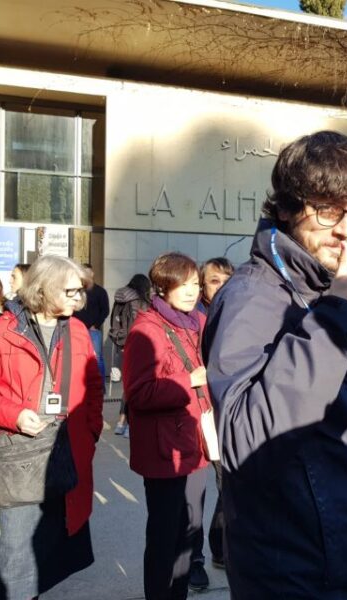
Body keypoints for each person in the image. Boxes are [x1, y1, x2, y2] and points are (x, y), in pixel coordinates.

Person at [203, 130, 347, 598]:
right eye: (329, 209)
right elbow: (243, 433)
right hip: (296, 563)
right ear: (289, 207)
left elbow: (325, 388)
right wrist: (338, 320)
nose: (346, 230)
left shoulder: (312, 287)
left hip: (336, 546)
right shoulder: (253, 294)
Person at [0, 255, 103, 599]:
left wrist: (91, 432)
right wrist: (15, 415)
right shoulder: (0, 331)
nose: (79, 299)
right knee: (15, 562)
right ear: (43, 290)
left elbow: (94, 385)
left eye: (80, 292)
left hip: (65, 454)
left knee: (46, 555)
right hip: (15, 461)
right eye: (71, 291)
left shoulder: (78, 330)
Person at [123, 252, 212, 600]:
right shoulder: (146, 330)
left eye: (195, 284)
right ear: (163, 286)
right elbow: (139, 394)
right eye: (184, 284)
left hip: (196, 443)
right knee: (164, 535)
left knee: (189, 531)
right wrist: (188, 380)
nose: (192, 291)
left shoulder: (197, 323)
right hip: (164, 452)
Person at [189, 257, 235, 588]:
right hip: (198, 413)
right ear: (203, 287)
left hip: (227, 415)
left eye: (227, 279)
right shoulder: (194, 320)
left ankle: (220, 547)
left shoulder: (238, 315)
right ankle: (195, 560)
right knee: (194, 495)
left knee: (228, 485)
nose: (222, 286)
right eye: (214, 280)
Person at [108, 273, 152, 436]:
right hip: (138, 347)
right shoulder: (139, 301)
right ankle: (130, 425)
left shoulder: (120, 298)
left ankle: (121, 422)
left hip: (122, 345)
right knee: (137, 386)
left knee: (127, 386)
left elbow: (114, 320)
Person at [73, 263, 110, 381]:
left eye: (88, 272)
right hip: (76, 330)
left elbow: (105, 310)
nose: (87, 275)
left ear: (92, 274)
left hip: (93, 330)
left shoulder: (100, 291)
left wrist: (96, 325)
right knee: (77, 356)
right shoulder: (77, 291)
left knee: (97, 357)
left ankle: (100, 386)